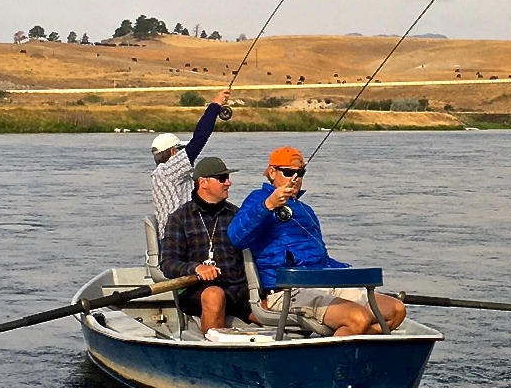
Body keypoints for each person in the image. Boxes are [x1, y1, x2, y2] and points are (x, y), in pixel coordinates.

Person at [228, 146, 405, 336]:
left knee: (396, 310)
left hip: (324, 282)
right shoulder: (258, 199)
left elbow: (322, 258)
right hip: (286, 291)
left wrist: (348, 273)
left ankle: (352, 338)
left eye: (300, 172)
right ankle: (343, 351)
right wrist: (268, 205)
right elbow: (236, 237)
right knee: (358, 318)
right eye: (288, 173)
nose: (295, 179)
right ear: (272, 172)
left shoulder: (307, 211)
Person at [159, 156, 253, 332]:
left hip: (238, 289)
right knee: (214, 295)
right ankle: (214, 353)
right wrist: (196, 269)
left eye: (227, 178)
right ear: (203, 182)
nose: (228, 183)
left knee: (271, 309)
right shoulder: (179, 218)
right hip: (198, 291)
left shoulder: (236, 214)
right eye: (222, 178)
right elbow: (168, 264)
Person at [150, 88, 231, 234]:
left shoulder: (164, 175)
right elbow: (199, 138)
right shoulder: (168, 172)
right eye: (181, 150)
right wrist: (215, 104)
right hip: (177, 240)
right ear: (173, 153)